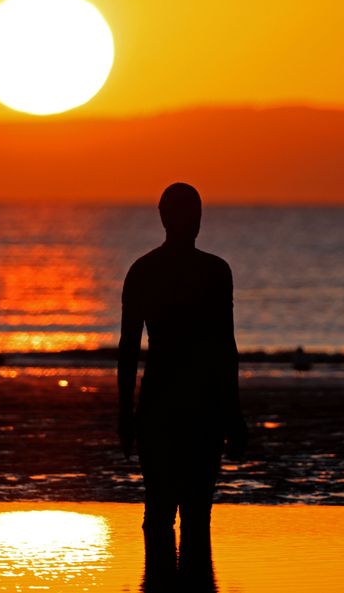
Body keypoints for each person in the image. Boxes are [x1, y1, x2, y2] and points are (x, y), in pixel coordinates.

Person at [118, 182, 248, 588]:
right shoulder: (213, 271)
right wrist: (233, 415)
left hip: (162, 403)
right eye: (193, 213)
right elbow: (225, 349)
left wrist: (125, 413)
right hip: (197, 403)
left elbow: (127, 350)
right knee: (192, 514)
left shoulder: (144, 270)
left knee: (161, 511)